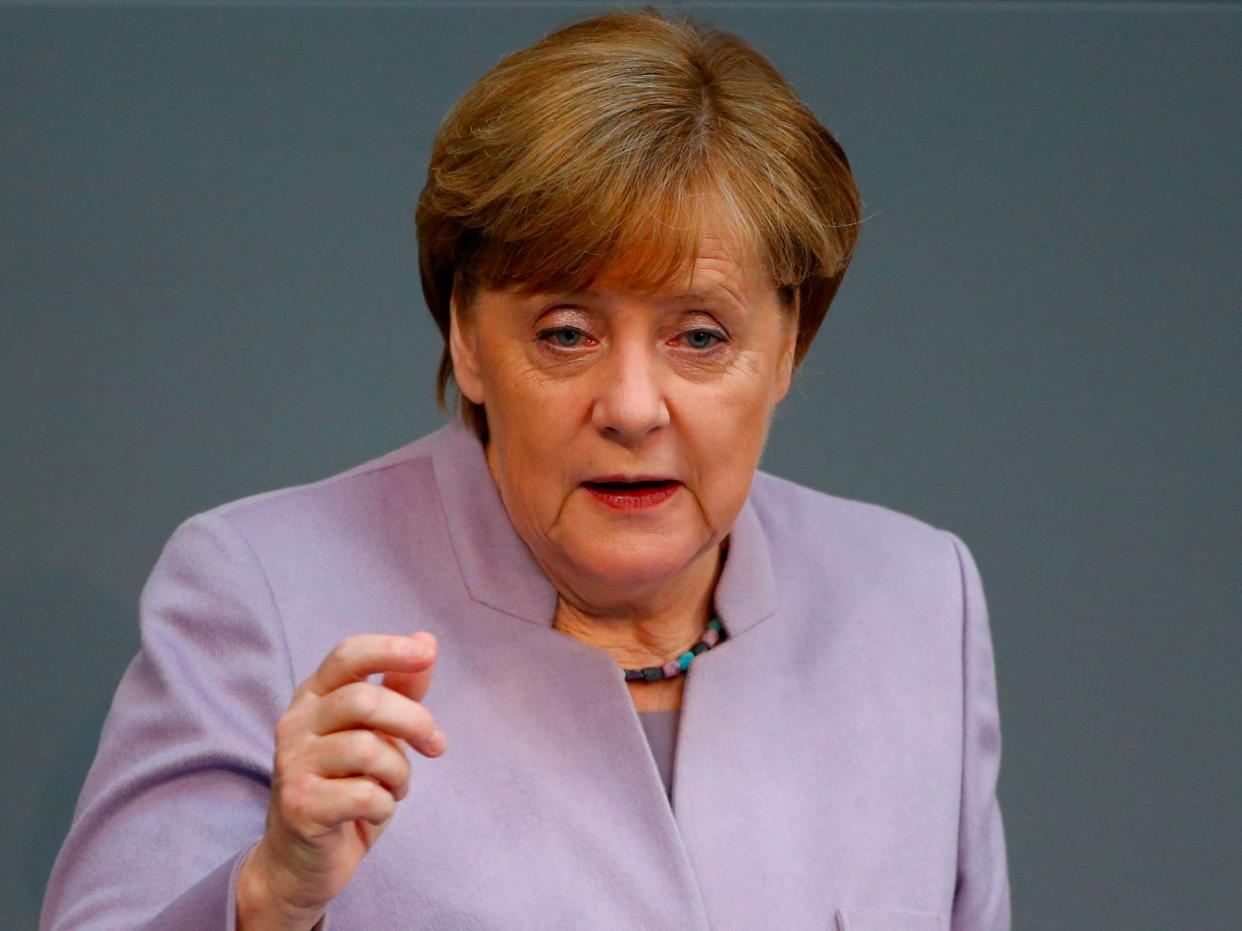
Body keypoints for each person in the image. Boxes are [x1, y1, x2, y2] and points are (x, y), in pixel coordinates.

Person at [42, 9, 1010, 930]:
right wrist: (268, 898)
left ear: (788, 343)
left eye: (701, 335)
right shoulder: (263, 592)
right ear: (467, 336)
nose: (632, 406)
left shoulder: (920, 603)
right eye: (566, 332)